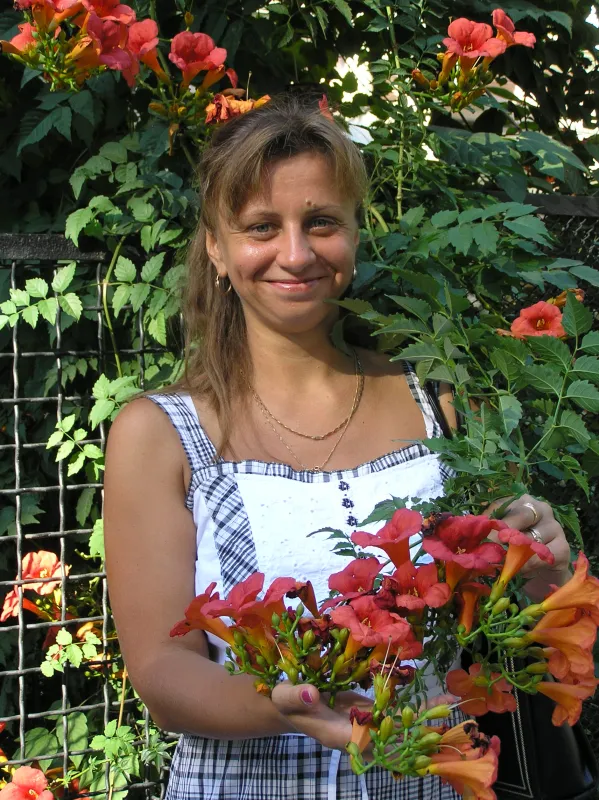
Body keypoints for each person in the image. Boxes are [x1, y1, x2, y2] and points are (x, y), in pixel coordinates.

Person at [104, 94, 572, 800]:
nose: (295, 254)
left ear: (355, 232)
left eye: (321, 221)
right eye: (261, 227)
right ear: (216, 248)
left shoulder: (442, 401)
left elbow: (531, 616)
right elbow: (163, 671)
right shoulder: (159, 432)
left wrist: (540, 568)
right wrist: (285, 707)